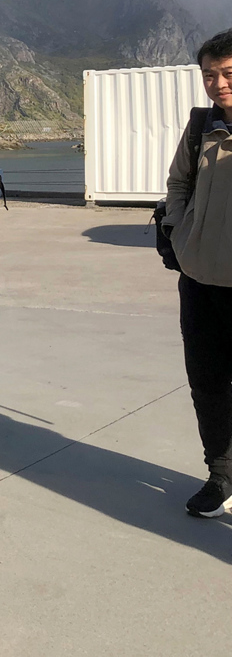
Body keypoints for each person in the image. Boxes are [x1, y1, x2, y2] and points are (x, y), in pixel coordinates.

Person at [163, 28, 232, 519]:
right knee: (206, 382)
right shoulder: (201, 126)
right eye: (210, 74)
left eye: (228, 73)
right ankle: (221, 475)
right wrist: (180, 232)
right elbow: (178, 182)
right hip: (200, 279)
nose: (218, 83)